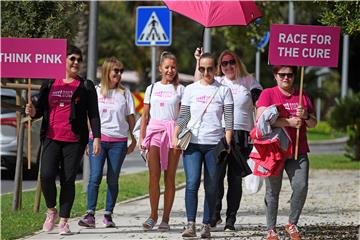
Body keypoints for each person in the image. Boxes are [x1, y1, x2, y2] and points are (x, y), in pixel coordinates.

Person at [25, 45, 101, 235]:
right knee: (46, 176)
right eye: (72, 59)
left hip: (74, 140)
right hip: (51, 137)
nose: (76, 62)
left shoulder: (86, 86)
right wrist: (33, 112)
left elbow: (93, 114)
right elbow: (40, 109)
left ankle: (64, 221)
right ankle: (51, 210)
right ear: (63, 61)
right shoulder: (50, 82)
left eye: (78, 60)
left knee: (68, 180)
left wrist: (96, 137)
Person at [195, 48, 263, 231]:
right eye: (223, 63)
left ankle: (230, 219)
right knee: (216, 177)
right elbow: (197, 84)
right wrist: (198, 60)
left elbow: (260, 103)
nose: (228, 66)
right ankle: (215, 215)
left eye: (231, 62)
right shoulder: (217, 82)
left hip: (242, 135)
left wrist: (260, 123)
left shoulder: (249, 81)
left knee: (234, 179)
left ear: (237, 62)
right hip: (220, 135)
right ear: (219, 66)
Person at [175, 53, 234, 238]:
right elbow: (183, 116)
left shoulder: (224, 90)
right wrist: (175, 135)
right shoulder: (190, 89)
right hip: (192, 143)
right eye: (202, 69)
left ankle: (207, 224)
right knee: (191, 183)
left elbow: (229, 121)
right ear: (198, 69)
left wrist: (228, 141)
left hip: (214, 145)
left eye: (210, 68)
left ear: (216, 68)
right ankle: (190, 224)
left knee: (211, 186)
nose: (206, 72)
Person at [255, 65, 317, 240]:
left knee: (301, 186)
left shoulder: (302, 96)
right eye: (282, 74)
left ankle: (292, 223)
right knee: (272, 191)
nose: (286, 78)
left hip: (299, 150)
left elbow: (314, 123)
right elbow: (260, 121)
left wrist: (305, 116)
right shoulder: (268, 94)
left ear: (294, 76)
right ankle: (271, 229)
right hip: (275, 150)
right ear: (275, 76)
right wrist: (288, 122)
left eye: (289, 75)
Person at [78, 57, 136, 228]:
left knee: (113, 178)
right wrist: (87, 139)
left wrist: (134, 140)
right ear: (106, 71)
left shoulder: (125, 93)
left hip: (118, 142)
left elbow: (131, 119)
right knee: (95, 176)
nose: (119, 74)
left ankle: (108, 215)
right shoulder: (95, 91)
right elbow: (89, 117)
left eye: (121, 71)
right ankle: (90, 214)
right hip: (98, 140)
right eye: (115, 71)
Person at [139, 51, 184, 231]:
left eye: (173, 67)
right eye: (167, 67)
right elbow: (145, 116)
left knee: (170, 177)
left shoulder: (181, 89)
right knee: (154, 176)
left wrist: (179, 134)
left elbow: (183, 115)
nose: (170, 70)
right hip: (154, 132)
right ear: (160, 68)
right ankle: (153, 215)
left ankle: (165, 218)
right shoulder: (152, 88)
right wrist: (142, 138)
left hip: (173, 133)